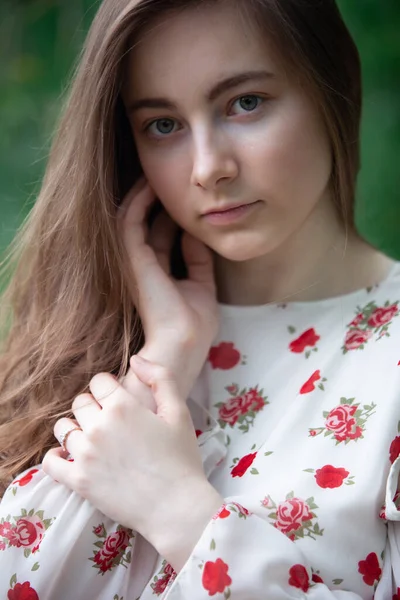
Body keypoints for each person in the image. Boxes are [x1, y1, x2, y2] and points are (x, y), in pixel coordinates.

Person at [0, 0, 399, 597]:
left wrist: (181, 512)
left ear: (332, 87)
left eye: (245, 103)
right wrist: (163, 359)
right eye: (163, 125)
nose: (209, 167)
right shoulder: (94, 337)